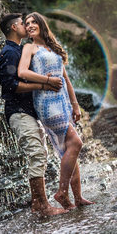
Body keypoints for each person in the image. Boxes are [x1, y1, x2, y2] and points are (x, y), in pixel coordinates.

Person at [18, 12, 94, 210]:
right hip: (46, 102)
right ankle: (62, 192)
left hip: (63, 102)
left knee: (69, 149)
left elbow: (66, 79)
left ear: (42, 24)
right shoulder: (29, 47)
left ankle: (77, 198)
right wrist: (46, 80)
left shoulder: (53, 47)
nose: (30, 25)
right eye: (27, 23)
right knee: (75, 143)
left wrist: (75, 104)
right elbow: (22, 72)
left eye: (34, 22)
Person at [0, 13, 68, 216]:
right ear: (13, 28)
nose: (26, 27)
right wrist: (45, 83)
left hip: (28, 112)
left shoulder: (21, 49)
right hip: (18, 112)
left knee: (41, 153)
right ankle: (41, 205)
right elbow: (10, 86)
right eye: (22, 23)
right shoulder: (9, 53)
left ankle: (40, 203)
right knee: (36, 154)